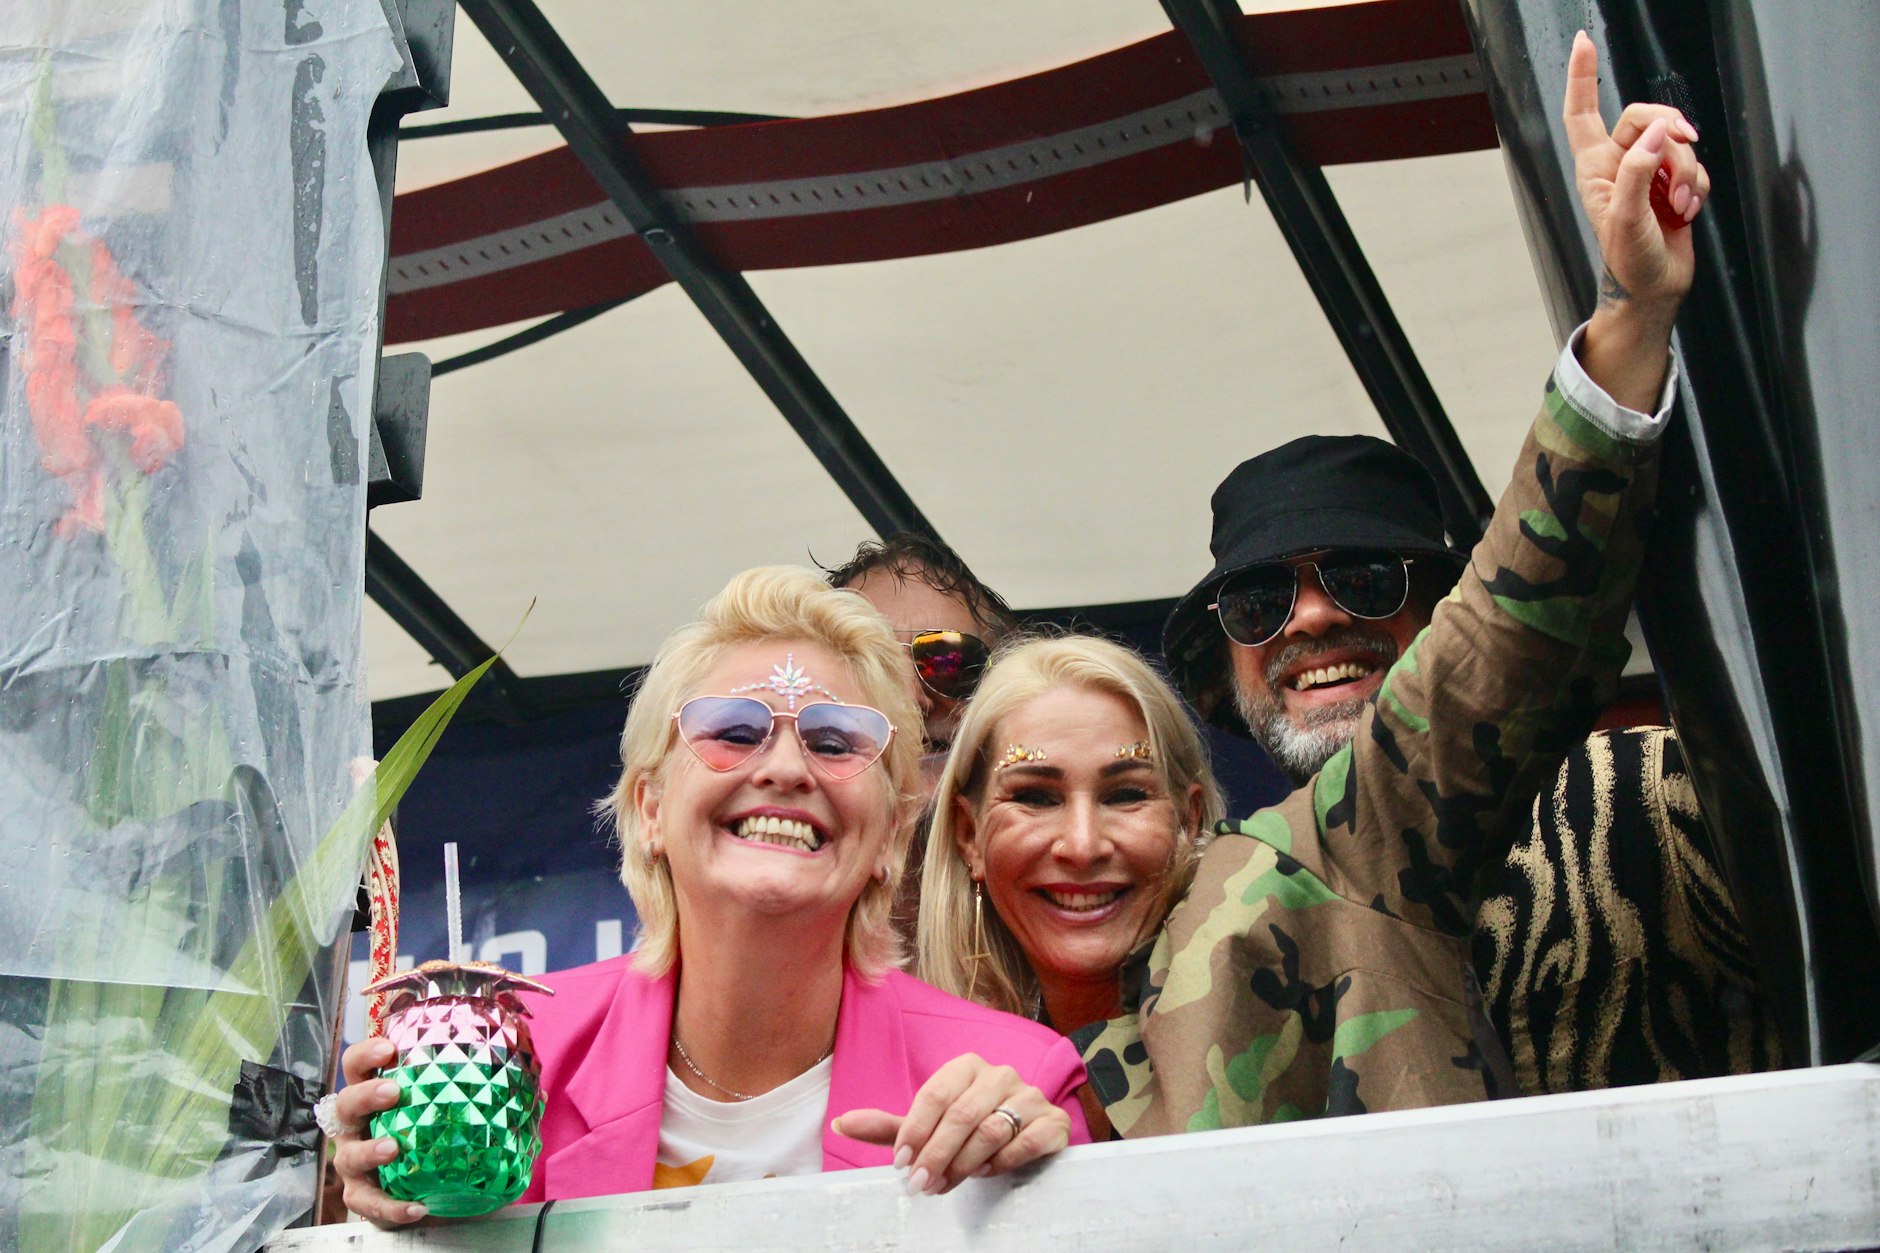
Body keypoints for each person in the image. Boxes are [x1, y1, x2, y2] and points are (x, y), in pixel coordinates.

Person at [1075, 33, 1718, 1131]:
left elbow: (1496, 651)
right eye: (1256, 603)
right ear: (1221, 673)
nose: (1312, 615)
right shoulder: (1107, 930)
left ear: (1441, 609)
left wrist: (1627, 316)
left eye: (1364, 577)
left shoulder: (1635, 798)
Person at [328, 567, 1086, 1222]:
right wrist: (369, 1199)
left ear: (890, 835)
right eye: (733, 730)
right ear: (652, 807)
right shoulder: (503, 1059)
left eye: (833, 741)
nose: (788, 768)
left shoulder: (1014, 1079)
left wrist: (1040, 1192)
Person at [916, 635, 1226, 1036]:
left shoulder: (1287, 1033)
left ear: (1189, 822)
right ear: (969, 834)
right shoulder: (930, 1067)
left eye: (1125, 796)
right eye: (1036, 798)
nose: (1082, 847)